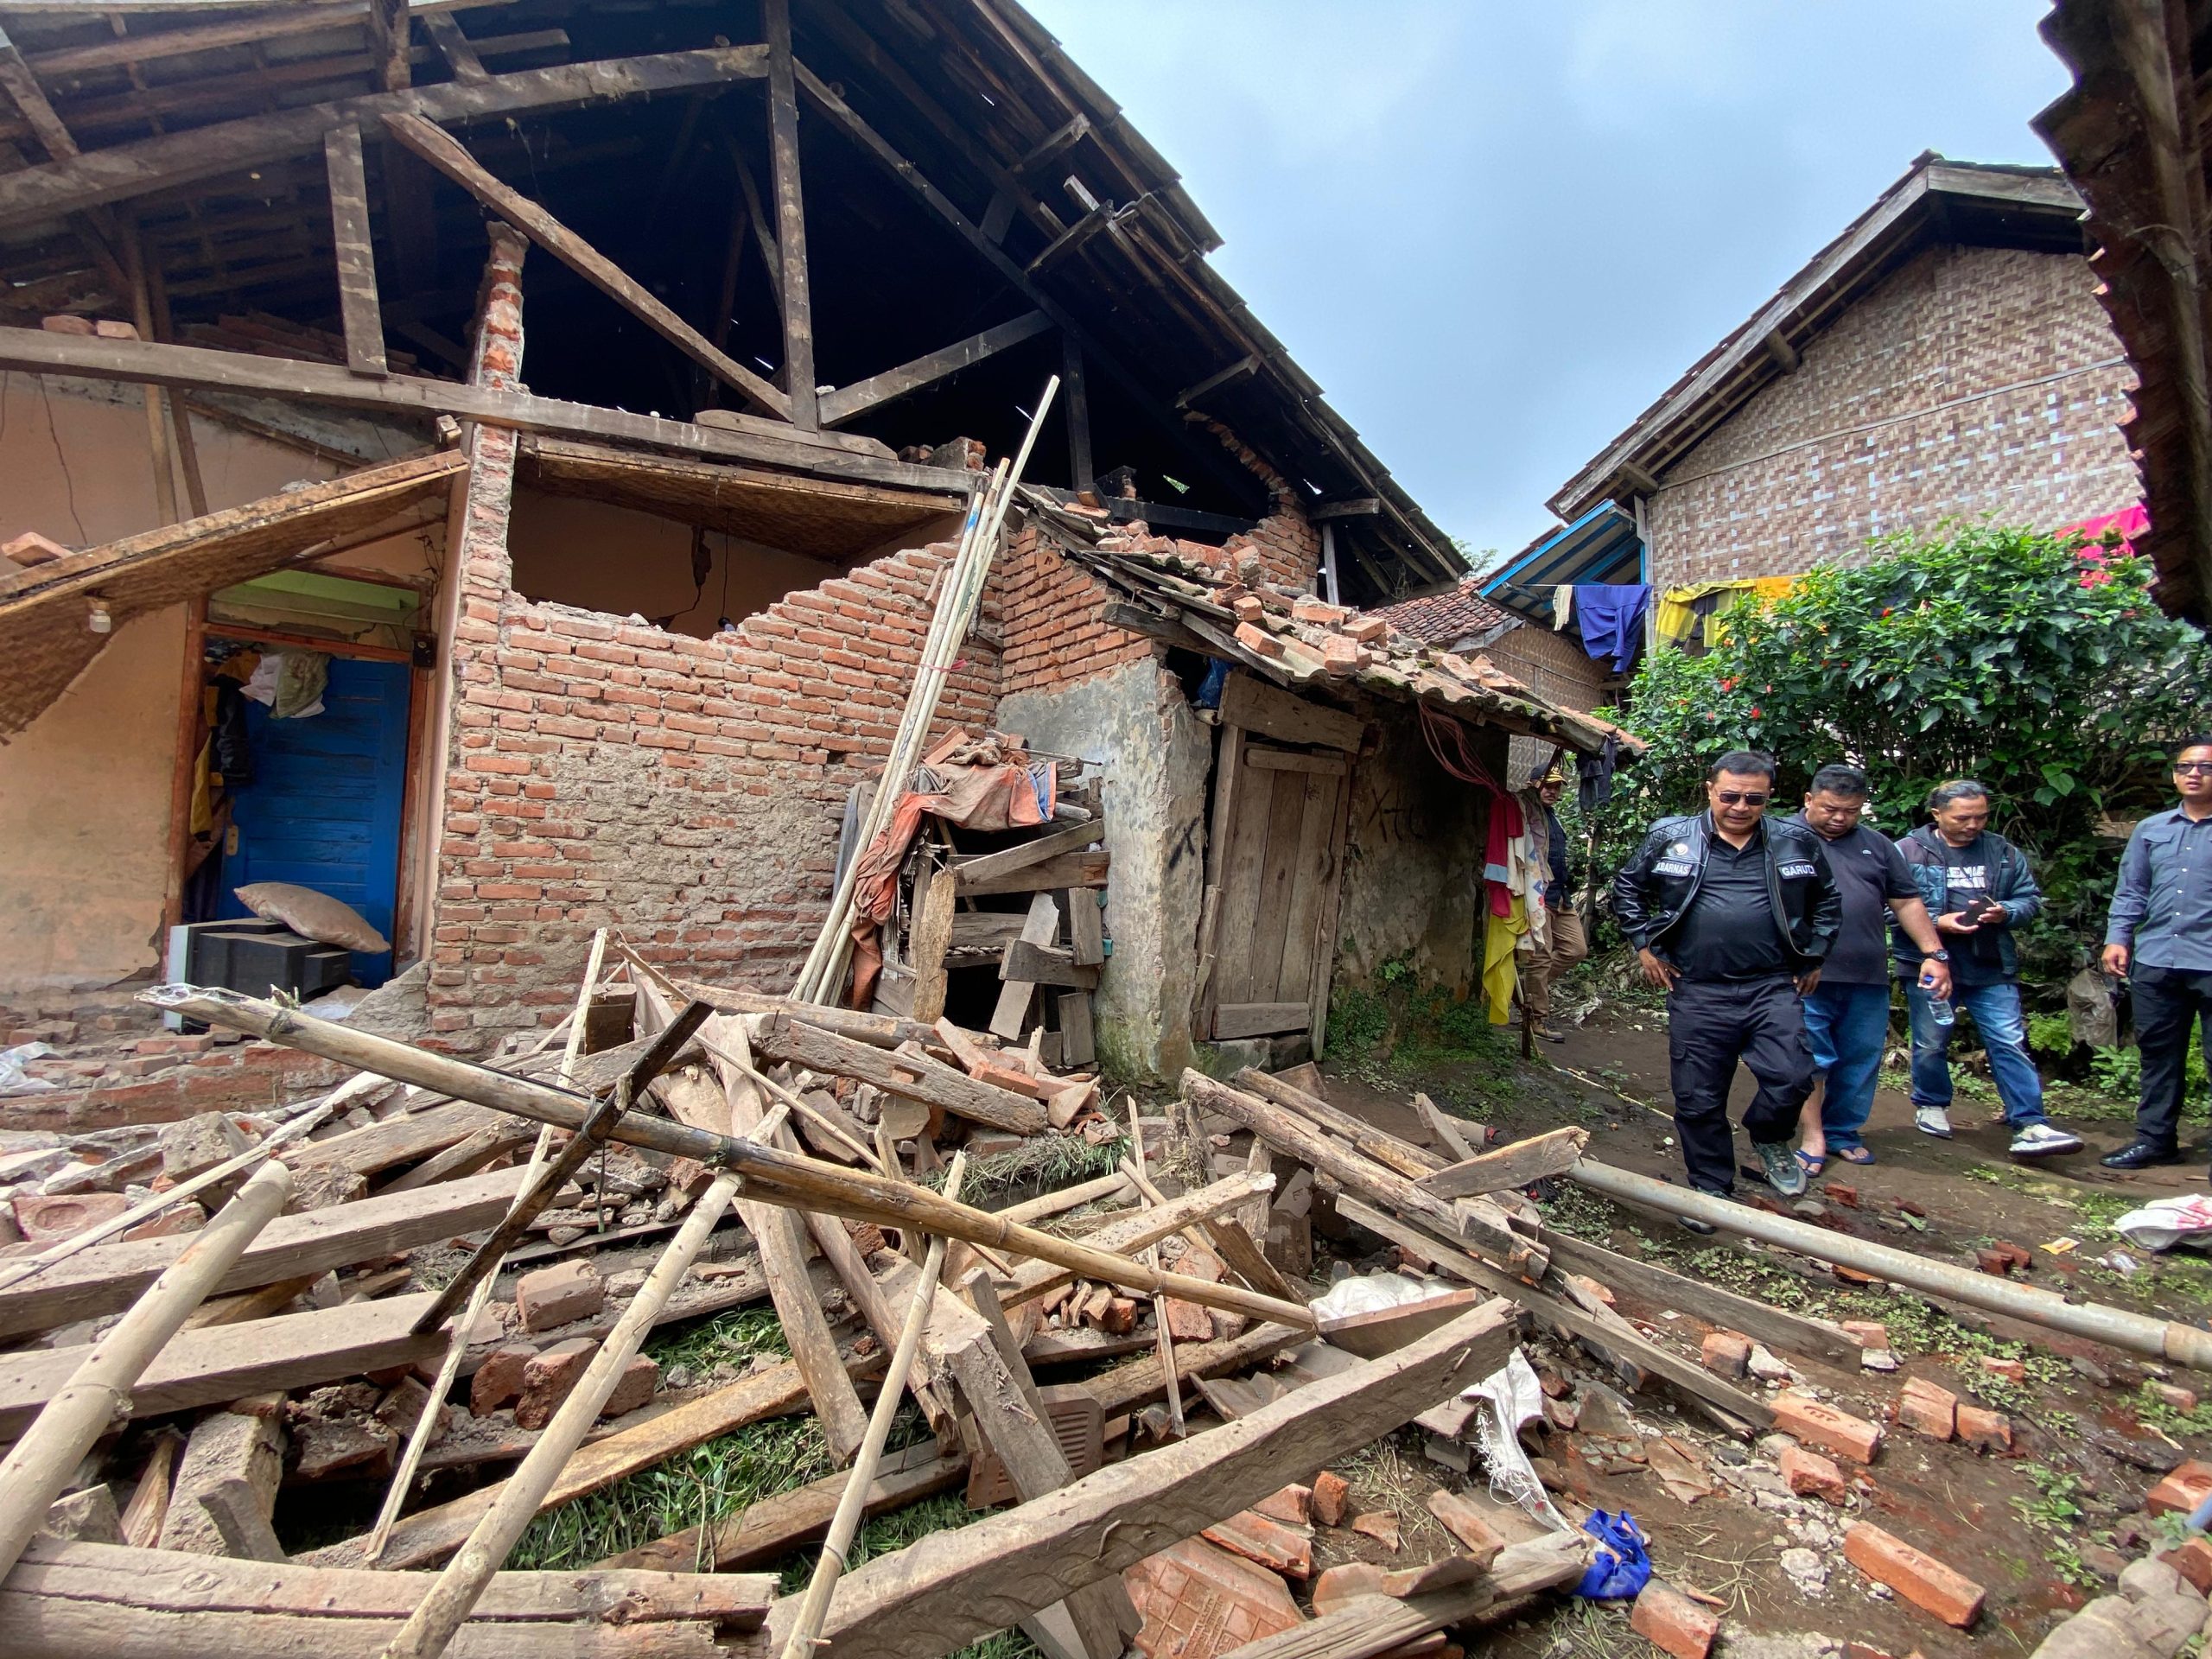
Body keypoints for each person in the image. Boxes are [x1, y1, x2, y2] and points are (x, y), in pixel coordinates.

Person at [1613, 751, 1840, 1225]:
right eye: (1730, 796)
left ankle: (1768, 1134)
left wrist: (1814, 954)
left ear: (1768, 797)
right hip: (1696, 988)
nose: (1740, 806)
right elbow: (1627, 888)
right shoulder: (1671, 837)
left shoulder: (1795, 841)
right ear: (1710, 790)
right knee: (1698, 1097)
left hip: (1771, 985)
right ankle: (1710, 1189)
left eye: (1753, 798)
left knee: (1793, 1075)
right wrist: (1644, 946)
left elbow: (1829, 901)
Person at [1892, 780, 2082, 1157]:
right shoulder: (1906, 852)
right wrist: (1939, 922)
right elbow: (1887, 907)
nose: (1973, 824)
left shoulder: (2002, 851)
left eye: (1981, 816)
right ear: (1937, 814)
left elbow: (2029, 899)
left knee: (2008, 1040)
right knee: (1931, 1041)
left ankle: (2030, 1122)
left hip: (1992, 962)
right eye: (1963, 817)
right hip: (1929, 963)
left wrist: (2006, 912)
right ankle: (1931, 1103)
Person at [1791, 765, 1952, 1173]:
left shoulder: (1878, 846)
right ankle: (1813, 1134)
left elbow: (1907, 901)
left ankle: (1843, 1130)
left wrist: (1934, 953)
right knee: (1812, 1058)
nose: (1840, 818)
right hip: (1804, 973)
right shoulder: (1780, 838)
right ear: (1809, 800)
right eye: (1830, 808)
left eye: (1851, 810)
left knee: (1860, 1057)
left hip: (1866, 974)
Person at [2101, 736, 2212, 1170]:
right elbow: (2132, 889)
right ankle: (2155, 1140)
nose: (2193, 774)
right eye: (2185, 767)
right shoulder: (2152, 829)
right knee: (2159, 1055)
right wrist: (2118, 937)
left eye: (2204, 767)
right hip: (2158, 958)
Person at [1523, 766, 1588, 1043]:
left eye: (1557, 786)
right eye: (1547, 785)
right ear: (1533, 785)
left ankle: (1527, 992)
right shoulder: (1529, 815)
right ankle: (1537, 1018)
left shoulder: (1553, 817)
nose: (1552, 791)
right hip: (1540, 896)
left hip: (1561, 897)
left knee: (1576, 949)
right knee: (1542, 956)